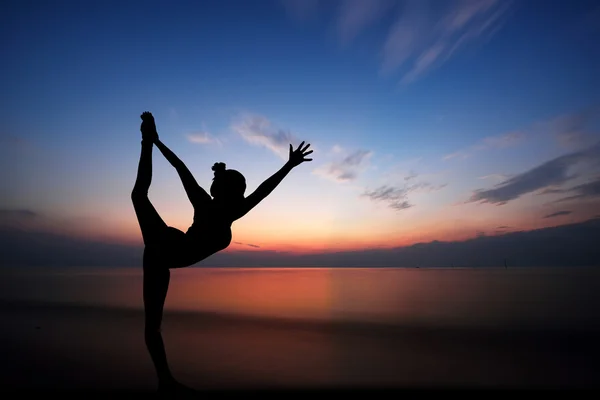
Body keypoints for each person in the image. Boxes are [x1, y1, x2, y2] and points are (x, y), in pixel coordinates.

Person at [131, 111, 313, 392]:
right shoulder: (220, 207)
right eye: (240, 188)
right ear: (231, 190)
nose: (243, 193)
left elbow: (262, 190)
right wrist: (156, 141)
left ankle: (165, 381)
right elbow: (182, 168)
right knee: (152, 326)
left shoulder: (219, 206)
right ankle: (165, 381)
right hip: (163, 252)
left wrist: (288, 166)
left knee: (139, 197)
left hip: (168, 250)